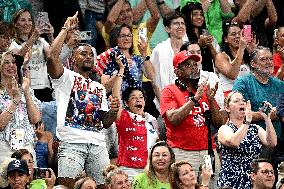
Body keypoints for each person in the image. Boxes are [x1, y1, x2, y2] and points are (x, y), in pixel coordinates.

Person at [47, 12, 119, 189]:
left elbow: (105, 123)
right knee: (66, 186)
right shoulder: (65, 77)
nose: (88, 57)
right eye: (83, 54)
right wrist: (65, 29)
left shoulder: (100, 88)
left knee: (104, 186)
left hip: (97, 144)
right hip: (71, 142)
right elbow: (51, 57)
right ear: (72, 58)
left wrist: (113, 111)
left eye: (91, 55)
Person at [160, 50, 225, 188]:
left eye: (195, 64)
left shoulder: (203, 90)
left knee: (212, 186)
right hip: (183, 152)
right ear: (177, 72)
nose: (194, 67)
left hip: (208, 151)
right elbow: (173, 119)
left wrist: (212, 100)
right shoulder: (169, 91)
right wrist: (194, 100)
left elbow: (220, 122)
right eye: (188, 65)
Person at [110, 53, 158, 179]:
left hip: (149, 171)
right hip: (128, 170)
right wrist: (121, 70)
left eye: (141, 98)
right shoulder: (124, 117)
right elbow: (116, 96)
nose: (138, 100)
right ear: (126, 103)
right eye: (133, 98)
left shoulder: (152, 120)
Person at [217, 91, 277, 188]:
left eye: (243, 101)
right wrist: (247, 121)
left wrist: (267, 119)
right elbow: (234, 142)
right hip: (231, 181)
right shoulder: (224, 129)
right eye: (236, 101)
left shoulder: (254, 128)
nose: (241, 103)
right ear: (227, 108)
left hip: (252, 180)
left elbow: (272, 142)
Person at [232, 46, 284, 153]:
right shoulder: (243, 83)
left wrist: (278, 113)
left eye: (270, 59)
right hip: (252, 141)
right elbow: (239, 113)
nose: (268, 62)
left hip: (278, 142)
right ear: (253, 64)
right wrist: (267, 115)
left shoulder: (280, 85)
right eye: (263, 59)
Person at [0, 51, 41, 164]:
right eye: (6, 62)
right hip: (3, 147)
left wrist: (26, 92)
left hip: (26, 145)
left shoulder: (25, 89)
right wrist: (15, 101)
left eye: (13, 62)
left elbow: (35, 119)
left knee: (29, 179)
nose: (11, 65)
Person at [9, 9, 54, 102]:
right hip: (27, 89)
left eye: (29, 20)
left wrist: (50, 36)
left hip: (45, 87)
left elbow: (53, 57)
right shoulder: (12, 44)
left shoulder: (41, 41)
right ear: (15, 24)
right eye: (23, 20)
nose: (27, 23)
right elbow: (18, 58)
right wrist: (34, 36)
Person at [101, 24, 155, 94]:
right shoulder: (109, 59)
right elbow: (105, 88)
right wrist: (121, 70)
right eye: (123, 36)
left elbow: (152, 76)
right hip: (116, 102)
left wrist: (144, 54)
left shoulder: (137, 59)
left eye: (129, 35)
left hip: (135, 101)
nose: (127, 39)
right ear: (115, 38)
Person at [150, 11, 186, 108]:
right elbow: (155, 80)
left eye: (182, 23)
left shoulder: (191, 47)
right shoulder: (159, 50)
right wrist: (165, 105)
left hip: (189, 99)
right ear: (167, 29)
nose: (180, 26)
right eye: (176, 23)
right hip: (167, 101)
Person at [215, 21, 255, 96]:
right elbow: (232, 75)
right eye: (233, 34)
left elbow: (259, 76)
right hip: (230, 96)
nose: (238, 36)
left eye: (240, 33)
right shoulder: (221, 56)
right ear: (226, 39)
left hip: (247, 94)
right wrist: (242, 48)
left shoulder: (247, 55)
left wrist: (253, 53)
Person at [181, 2, 219, 73]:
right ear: (186, 16)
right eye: (195, 14)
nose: (199, 17)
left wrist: (209, 45)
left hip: (210, 75)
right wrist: (199, 45)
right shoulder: (183, 35)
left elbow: (218, 59)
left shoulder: (206, 33)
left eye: (201, 14)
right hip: (191, 75)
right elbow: (183, 58)